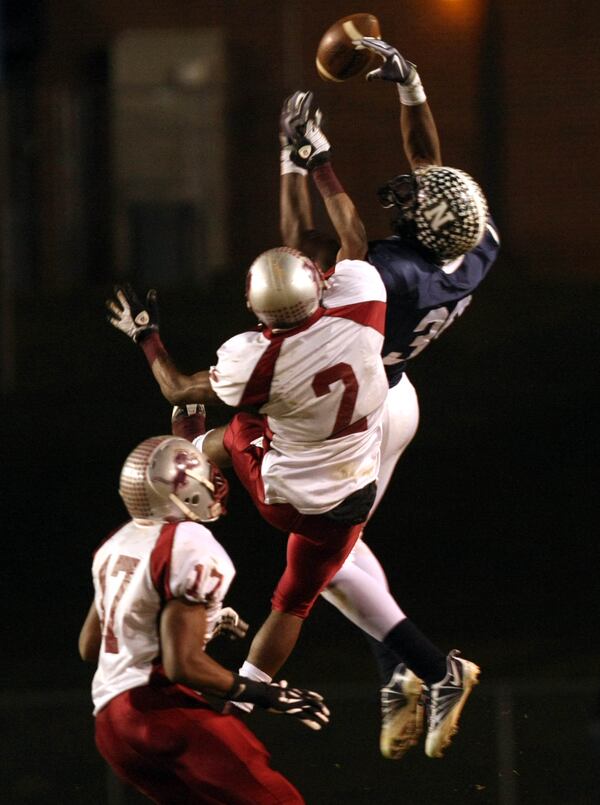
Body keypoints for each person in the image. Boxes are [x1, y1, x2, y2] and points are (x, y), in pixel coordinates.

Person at [277, 35, 499, 760]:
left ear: (422, 227)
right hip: (397, 399)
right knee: (342, 548)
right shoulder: (474, 245)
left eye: (411, 202)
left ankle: (430, 666)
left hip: (359, 416)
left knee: (325, 556)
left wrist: (310, 163)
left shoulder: (387, 275)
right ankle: (396, 666)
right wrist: (412, 84)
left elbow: (323, 235)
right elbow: (432, 170)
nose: (403, 194)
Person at [106, 239, 391, 705]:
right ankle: (246, 693)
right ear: (319, 284)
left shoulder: (256, 356)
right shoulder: (363, 296)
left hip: (281, 494)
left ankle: (191, 451)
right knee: (294, 603)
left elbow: (177, 388)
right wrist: (317, 167)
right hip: (350, 495)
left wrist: (147, 336)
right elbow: (353, 241)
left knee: (242, 426)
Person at [78, 435, 329, 804]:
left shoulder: (116, 542)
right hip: (158, 711)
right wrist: (265, 693)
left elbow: (90, 646)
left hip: (111, 728)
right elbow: (183, 665)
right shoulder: (188, 541)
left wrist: (201, 626)